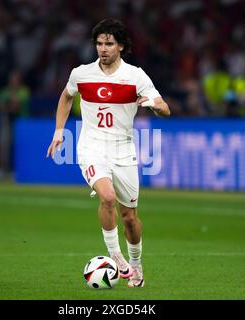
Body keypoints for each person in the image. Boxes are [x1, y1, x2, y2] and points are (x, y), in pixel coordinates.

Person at [46, 18, 170, 288]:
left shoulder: (135, 76)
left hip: (124, 150)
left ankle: (136, 266)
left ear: (121, 47)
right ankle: (115, 255)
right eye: (99, 43)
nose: (103, 49)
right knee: (107, 196)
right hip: (91, 147)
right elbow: (67, 96)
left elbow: (165, 108)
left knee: (131, 218)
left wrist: (153, 105)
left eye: (109, 44)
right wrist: (59, 131)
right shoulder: (81, 73)